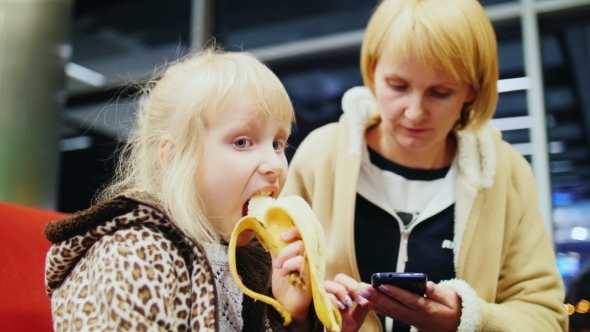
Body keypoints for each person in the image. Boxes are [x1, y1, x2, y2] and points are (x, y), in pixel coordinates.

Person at [282, 0, 568, 331]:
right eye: (398, 86)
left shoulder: (507, 174)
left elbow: (546, 317)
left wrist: (469, 319)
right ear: (373, 71)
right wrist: (306, 317)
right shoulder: (321, 157)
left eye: (440, 92)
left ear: (471, 91)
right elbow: (267, 294)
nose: (415, 112)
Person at [43, 47, 324, 331]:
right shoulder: (130, 257)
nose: (274, 165)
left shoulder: (256, 267)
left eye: (278, 143)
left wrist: (295, 319)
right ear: (173, 157)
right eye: (242, 142)